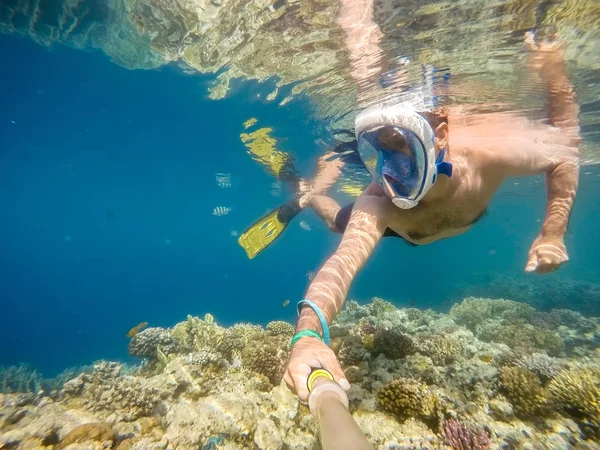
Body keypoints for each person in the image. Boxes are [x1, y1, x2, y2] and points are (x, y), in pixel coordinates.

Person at [238, 0, 580, 402]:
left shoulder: (490, 153)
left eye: (401, 148)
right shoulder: (378, 202)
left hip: (424, 220)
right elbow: (339, 266)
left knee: (341, 223)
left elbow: (564, 151)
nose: (387, 174)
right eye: (375, 154)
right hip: (403, 229)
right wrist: (308, 334)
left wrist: (552, 232)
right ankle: (309, 194)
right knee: (339, 223)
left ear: (440, 138)